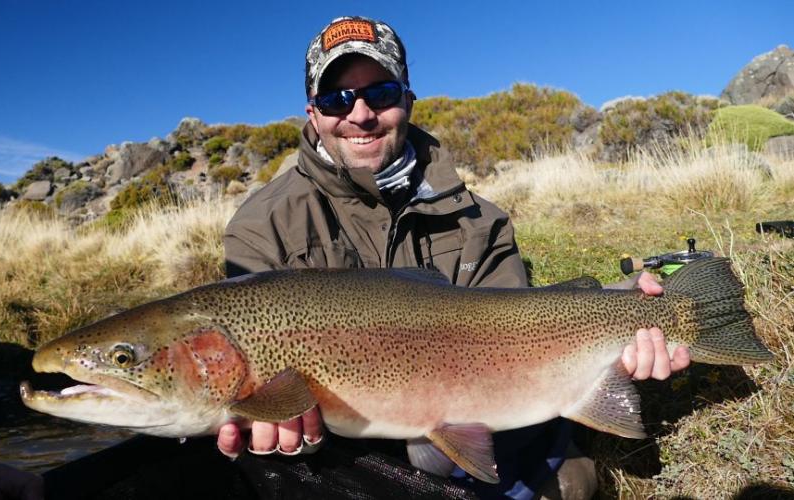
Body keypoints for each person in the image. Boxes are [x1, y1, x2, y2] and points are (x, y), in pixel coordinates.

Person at [218, 16, 690, 499]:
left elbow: (522, 332)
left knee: (566, 481)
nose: (360, 114)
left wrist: (623, 320)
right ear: (313, 113)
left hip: (482, 414)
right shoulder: (262, 227)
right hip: (343, 453)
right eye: (337, 99)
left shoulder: (479, 220)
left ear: (407, 100)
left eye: (380, 93)